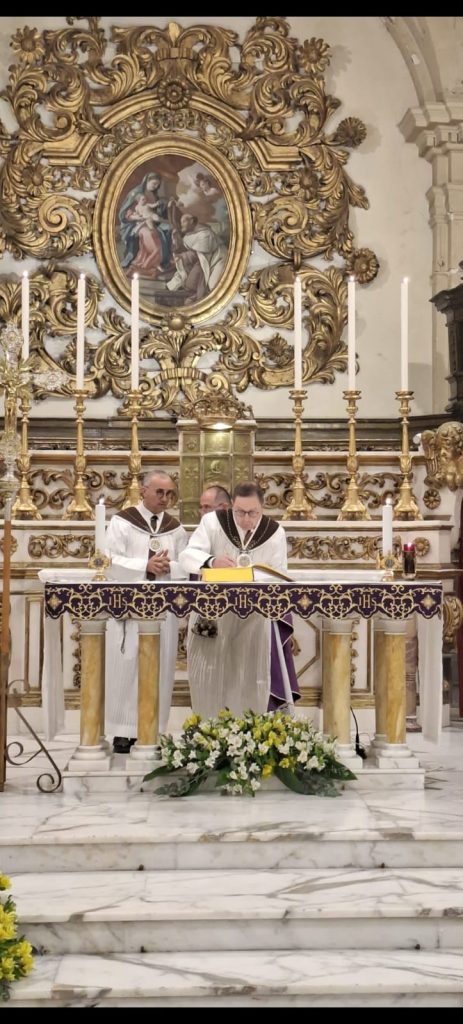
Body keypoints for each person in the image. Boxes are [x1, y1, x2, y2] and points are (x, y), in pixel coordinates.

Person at [179, 482, 300, 719]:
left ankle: (247, 732)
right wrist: (212, 561)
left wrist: (252, 576)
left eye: (252, 513)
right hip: (213, 615)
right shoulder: (213, 523)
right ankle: (207, 731)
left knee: (251, 676)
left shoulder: (274, 532)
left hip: (254, 617)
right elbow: (188, 555)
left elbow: (280, 575)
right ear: (232, 506)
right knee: (208, 676)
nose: (245, 519)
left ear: (262, 508)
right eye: (240, 512)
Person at [104, 470, 188, 753]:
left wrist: (168, 567)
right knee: (127, 667)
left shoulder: (175, 529)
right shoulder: (123, 522)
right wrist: (145, 566)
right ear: (143, 491)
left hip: (163, 611)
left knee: (160, 666)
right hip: (129, 607)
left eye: (170, 494)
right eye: (159, 492)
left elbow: (187, 565)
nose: (165, 498)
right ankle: (123, 731)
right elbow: (107, 560)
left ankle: (154, 728)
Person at [118, 172, 175, 279]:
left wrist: (164, 206)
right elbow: (125, 214)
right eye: (154, 184)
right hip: (136, 224)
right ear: (147, 181)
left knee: (168, 229)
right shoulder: (136, 194)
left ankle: (162, 260)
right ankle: (147, 264)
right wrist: (137, 217)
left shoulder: (153, 195)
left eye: (157, 185)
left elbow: (155, 210)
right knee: (150, 234)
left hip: (152, 221)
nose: (155, 187)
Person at [167, 212, 227, 302]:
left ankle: (199, 298)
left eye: (183, 221)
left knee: (211, 284)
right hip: (202, 262)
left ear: (191, 221)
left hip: (216, 261)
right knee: (190, 282)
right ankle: (196, 296)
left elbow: (197, 254)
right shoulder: (189, 235)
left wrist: (183, 257)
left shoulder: (205, 234)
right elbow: (187, 250)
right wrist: (176, 240)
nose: (181, 224)